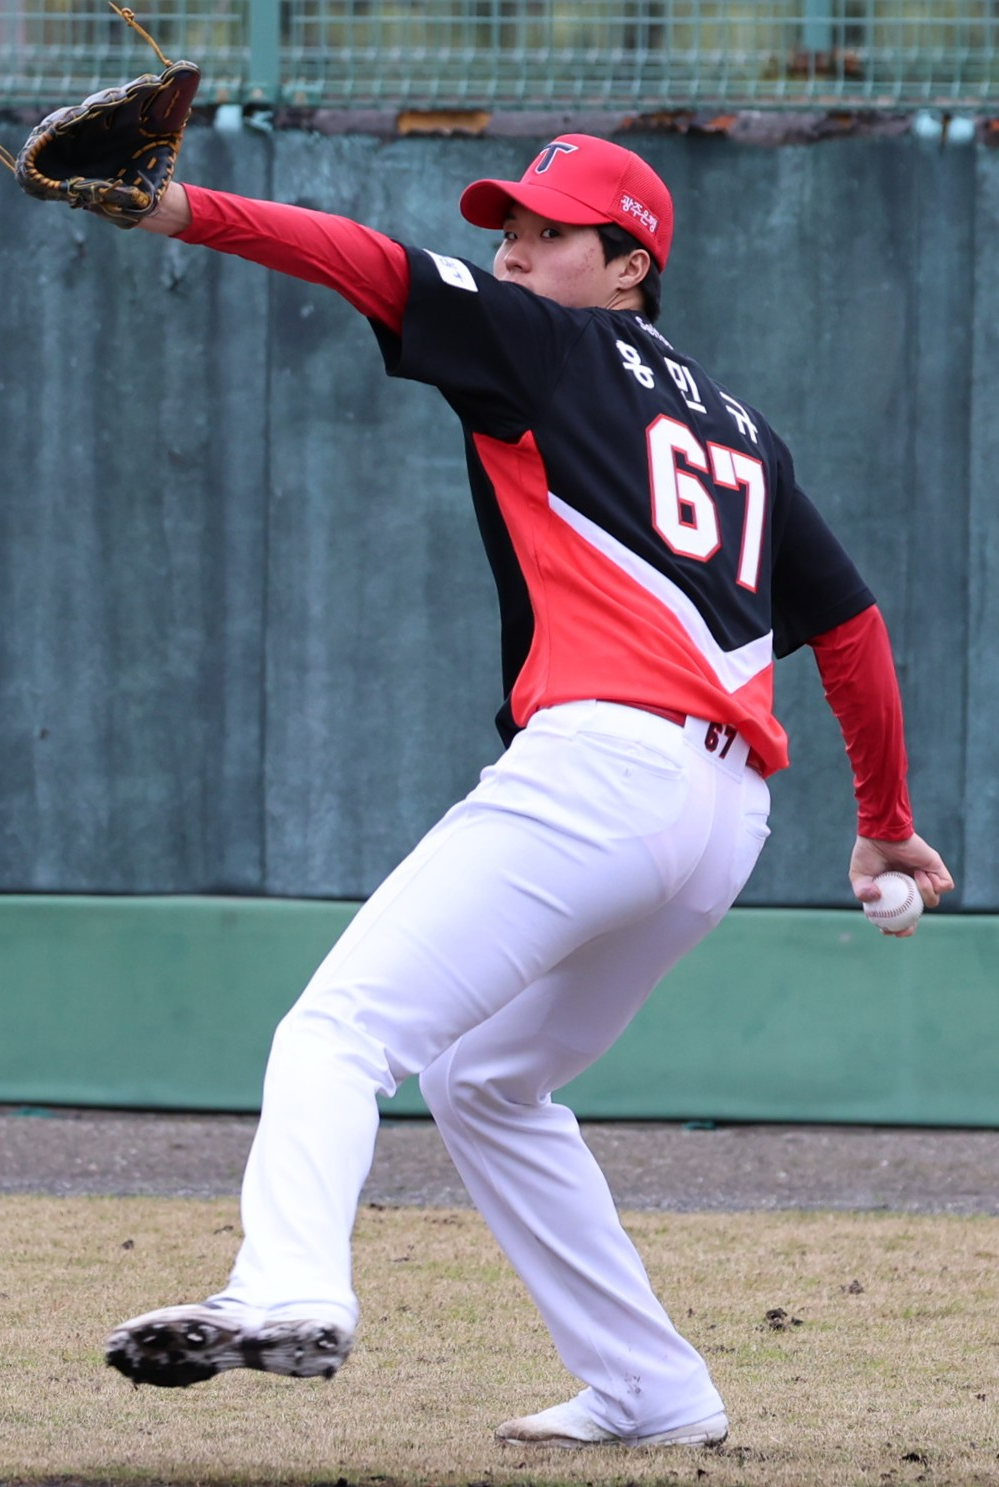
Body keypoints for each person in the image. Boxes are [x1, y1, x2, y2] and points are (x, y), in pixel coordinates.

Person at [101, 134, 953, 1448]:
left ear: (630, 265)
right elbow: (853, 632)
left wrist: (161, 204)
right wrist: (884, 823)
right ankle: (654, 1394)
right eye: (509, 229)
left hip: (602, 767)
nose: (514, 250)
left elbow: (358, 260)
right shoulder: (745, 431)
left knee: (334, 1036)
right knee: (491, 1083)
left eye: (550, 231)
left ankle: (288, 1288)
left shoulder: (543, 343)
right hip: (723, 822)